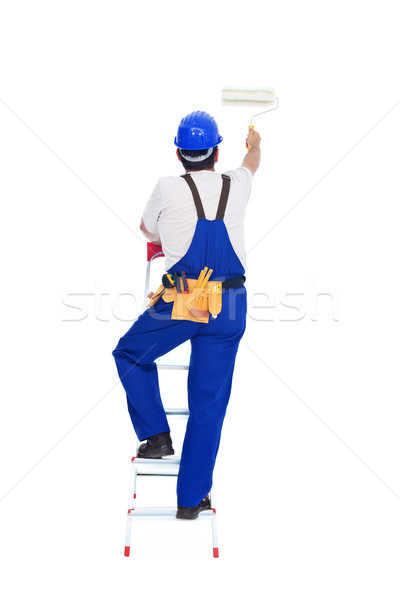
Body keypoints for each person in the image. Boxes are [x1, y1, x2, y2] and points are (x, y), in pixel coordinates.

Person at [112, 111, 261, 519]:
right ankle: (191, 500)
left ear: (179, 153)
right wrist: (255, 145)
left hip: (188, 299)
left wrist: (166, 235)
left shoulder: (167, 187)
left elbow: (146, 229)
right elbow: (251, 163)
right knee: (208, 405)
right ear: (217, 152)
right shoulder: (237, 182)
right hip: (229, 305)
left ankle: (157, 436)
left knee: (128, 354)